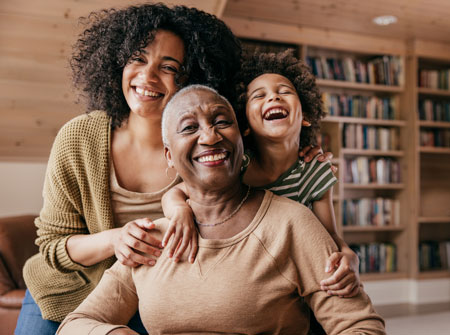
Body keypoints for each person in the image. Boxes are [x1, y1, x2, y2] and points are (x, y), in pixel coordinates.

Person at [56, 85, 385, 335]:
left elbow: (360, 326)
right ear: (170, 156)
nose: (210, 136)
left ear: (242, 140)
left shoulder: (292, 222)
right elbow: (76, 323)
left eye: (221, 122)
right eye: (189, 127)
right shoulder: (151, 238)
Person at [16, 4, 242, 335]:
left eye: (168, 67)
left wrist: (307, 153)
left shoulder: (209, 146)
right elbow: (52, 245)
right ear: (118, 62)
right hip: (65, 291)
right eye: (137, 58)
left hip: (156, 297)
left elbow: (267, 187)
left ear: (192, 79)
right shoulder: (78, 137)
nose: (147, 77)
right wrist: (115, 239)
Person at [162, 50, 360, 298]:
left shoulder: (315, 171)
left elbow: (328, 235)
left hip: (289, 277)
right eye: (259, 95)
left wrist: (350, 256)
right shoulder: (236, 166)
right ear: (244, 125)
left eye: (285, 91)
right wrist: (179, 211)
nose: (274, 96)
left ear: (306, 115)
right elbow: (176, 193)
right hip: (238, 273)